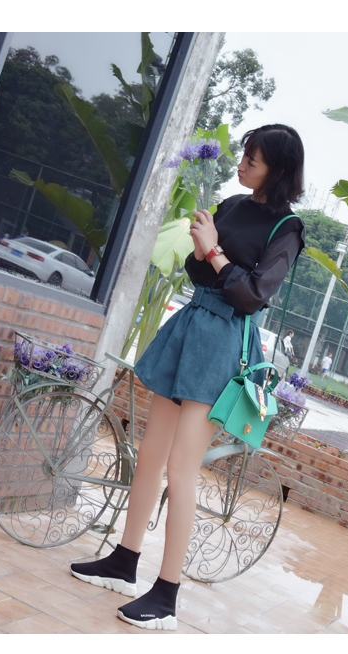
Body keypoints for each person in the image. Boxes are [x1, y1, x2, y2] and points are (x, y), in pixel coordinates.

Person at [69, 124, 306, 631]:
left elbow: (254, 296)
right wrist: (202, 252)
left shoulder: (287, 228)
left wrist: (215, 251)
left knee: (181, 469)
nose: (242, 165)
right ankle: (124, 561)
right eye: (244, 155)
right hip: (191, 326)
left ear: (279, 170)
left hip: (222, 345)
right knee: (151, 455)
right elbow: (199, 276)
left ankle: (167, 595)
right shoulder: (230, 205)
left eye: (253, 160)